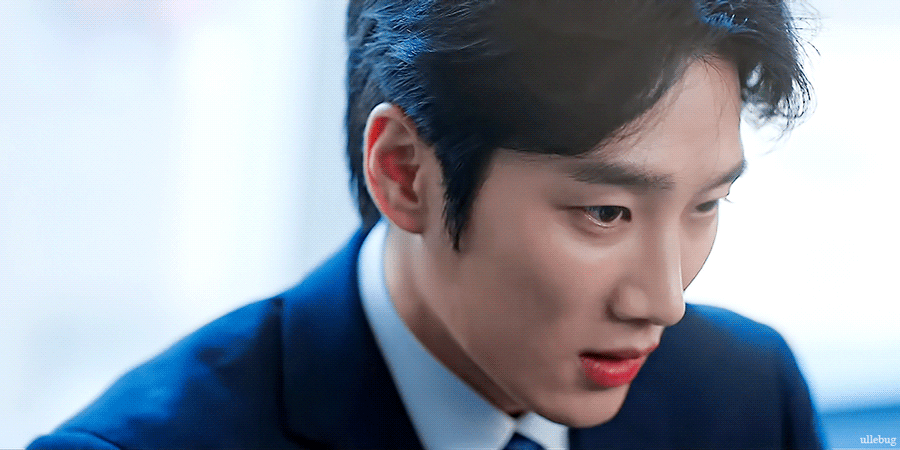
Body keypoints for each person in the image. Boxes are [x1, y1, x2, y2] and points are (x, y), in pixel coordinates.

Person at [29, 1, 825, 449]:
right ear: (404, 171)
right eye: (605, 213)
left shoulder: (748, 399)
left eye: (704, 205)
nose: (664, 301)